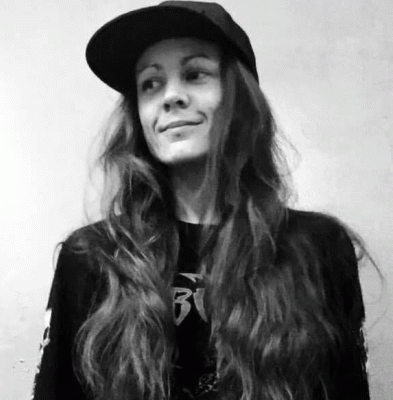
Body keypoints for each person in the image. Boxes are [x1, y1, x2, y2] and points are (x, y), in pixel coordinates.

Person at [31, 1, 370, 399]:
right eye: (150, 84)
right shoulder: (93, 257)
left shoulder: (318, 248)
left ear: (239, 97)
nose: (171, 96)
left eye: (195, 75)